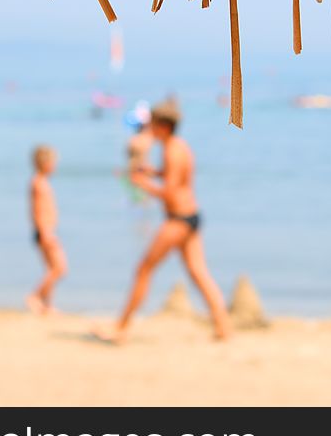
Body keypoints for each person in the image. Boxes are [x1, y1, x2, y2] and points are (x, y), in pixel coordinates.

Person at [97, 99, 231, 343]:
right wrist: (153, 173)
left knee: (144, 269)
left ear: (164, 127)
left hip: (177, 221)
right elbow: (177, 179)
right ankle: (223, 326)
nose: (149, 129)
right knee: (199, 273)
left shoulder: (170, 151)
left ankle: (121, 328)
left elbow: (169, 192)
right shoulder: (180, 146)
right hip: (191, 216)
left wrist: (141, 183)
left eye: (153, 125)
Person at [26, 145, 68, 314]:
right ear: (45, 163)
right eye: (53, 162)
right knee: (60, 268)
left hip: (47, 230)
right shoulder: (38, 183)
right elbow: (37, 210)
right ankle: (35, 296)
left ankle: (47, 305)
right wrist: (45, 233)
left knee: (51, 269)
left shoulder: (41, 182)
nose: (55, 166)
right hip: (45, 231)